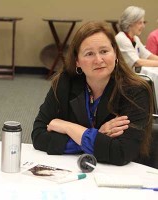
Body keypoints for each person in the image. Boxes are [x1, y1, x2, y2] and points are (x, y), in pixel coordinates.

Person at [31, 21, 153, 166]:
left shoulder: (136, 91)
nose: (98, 60)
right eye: (89, 54)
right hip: (74, 168)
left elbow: (122, 152)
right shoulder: (64, 83)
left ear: (115, 53)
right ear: (77, 61)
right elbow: (38, 136)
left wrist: (70, 128)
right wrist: (94, 136)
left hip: (118, 175)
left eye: (104, 51)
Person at [115, 6, 158, 70]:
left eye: (143, 22)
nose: (143, 26)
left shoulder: (135, 38)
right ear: (130, 23)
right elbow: (137, 62)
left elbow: (147, 55)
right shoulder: (121, 38)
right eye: (140, 23)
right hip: (122, 78)